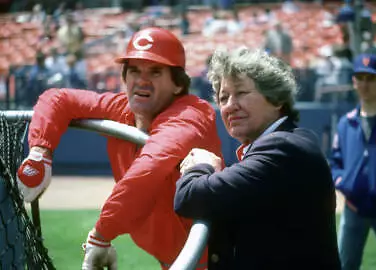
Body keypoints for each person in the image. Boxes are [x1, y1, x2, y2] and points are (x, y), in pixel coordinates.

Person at [16, 27, 222, 269]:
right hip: (177, 255)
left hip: (221, 256)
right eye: (134, 70)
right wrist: (40, 153)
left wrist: (100, 236)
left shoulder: (190, 114)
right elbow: (56, 99)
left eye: (155, 72)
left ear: (177, 84)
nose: (142, 80)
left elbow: (147, 171)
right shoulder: (121, 107)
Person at [174, 47, 341, 270]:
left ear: (276, 99)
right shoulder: (287, 141)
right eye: (223, 98)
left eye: (241, 93)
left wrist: (200, 166)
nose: (230, 105)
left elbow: (189, 198)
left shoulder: (283, 148)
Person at [330, 53, 376, 270]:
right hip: (353, 207)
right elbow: (335, 161)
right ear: (353, 82)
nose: (364, 84)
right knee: (345, 265)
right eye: (360, 78)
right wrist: (342, 181)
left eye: (370, 78)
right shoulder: (345, 123)